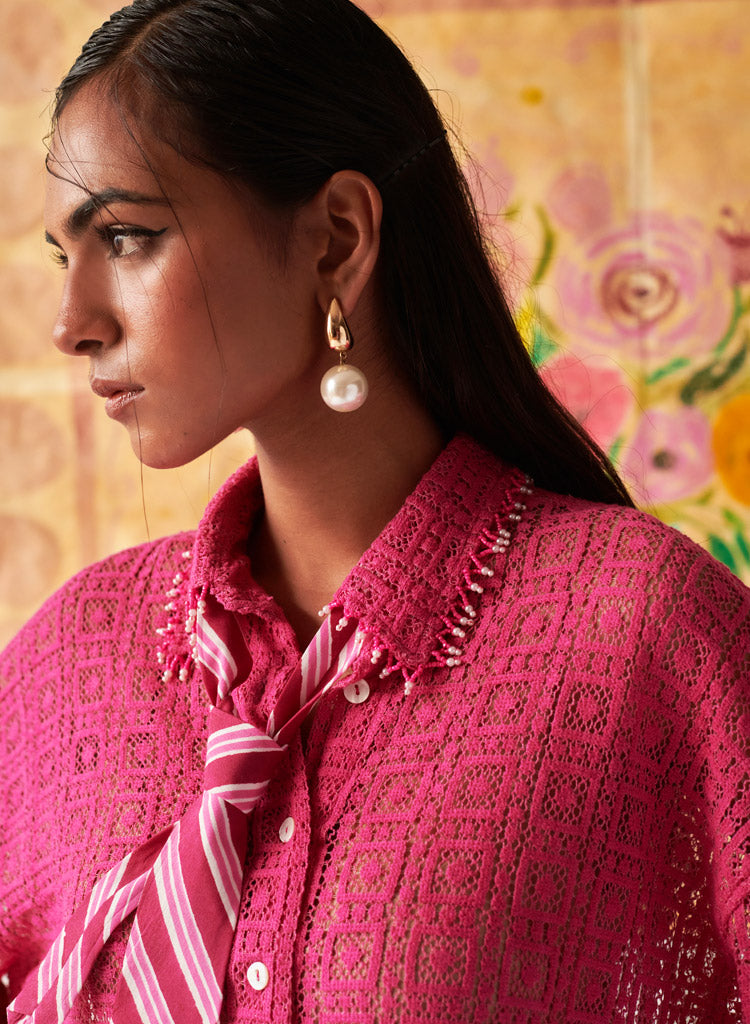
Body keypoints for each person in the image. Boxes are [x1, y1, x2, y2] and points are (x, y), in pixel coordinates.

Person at [1, 0, 748, 1021]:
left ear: (336, 240)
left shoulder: (648, 638)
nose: (72, 322)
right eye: (65, 255)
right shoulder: (65, 669)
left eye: (127, 237)